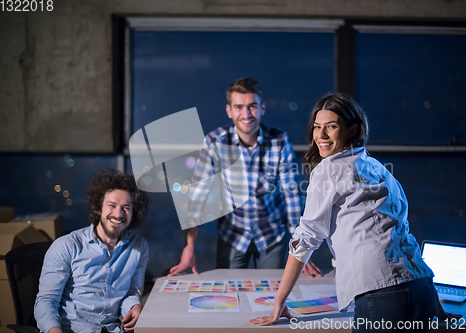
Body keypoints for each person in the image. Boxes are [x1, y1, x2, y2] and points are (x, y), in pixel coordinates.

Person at [250, 93, 437, 332]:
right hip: (421, 287)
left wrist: (278, 303)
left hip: (380, 291)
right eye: (317, 127)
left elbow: (305, 238)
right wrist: (436, 305)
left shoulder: (328, 170)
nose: (321, 135)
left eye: (332, 127)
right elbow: (402, 231)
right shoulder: (376, 167)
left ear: (352, 130)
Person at [168, 77, 321, 277]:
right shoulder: (214, 142)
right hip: (232, 235)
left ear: (263, 108)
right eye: (239, 107)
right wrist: (189, 247)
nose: (246, 114)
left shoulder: (279, 140)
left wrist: (300, 248)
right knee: (229, 296)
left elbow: (291, 195)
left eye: (252, 106)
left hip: (271, 235)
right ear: (229, 110)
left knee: (271, 296)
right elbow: (198, 198)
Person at [34, 169, 149, 333]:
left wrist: (134, 306)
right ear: (98, 208)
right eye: (112, 205)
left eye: (126, 207)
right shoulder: (66, 246)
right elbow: (46, 301)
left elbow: (131, 292)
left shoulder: (139, 247)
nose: (118, 213)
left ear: (134, 212)